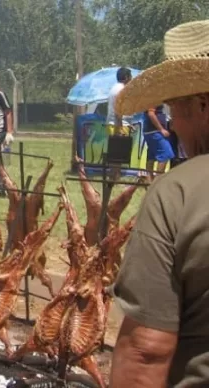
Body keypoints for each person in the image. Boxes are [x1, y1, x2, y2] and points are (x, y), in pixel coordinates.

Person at [111, 19, 209, 388]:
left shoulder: (177, 193)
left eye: (173, 110)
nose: (173, 124)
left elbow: (146, 351)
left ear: (201, 106)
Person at [142, 104, 175, 176]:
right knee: (166, 154)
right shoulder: (153, 98)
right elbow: (151, 114)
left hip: (151, 131)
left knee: (151, 157)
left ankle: (149, 183)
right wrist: (161, 129)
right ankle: (157, 181)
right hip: (155, 131)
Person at [107, 67, 133, 135]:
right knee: (121, 145)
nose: (132, 79)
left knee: (114, 145)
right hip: (119, 126)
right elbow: (118, 111)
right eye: (131, 76)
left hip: (113, 124)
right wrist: (120, 128)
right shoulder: (122, 90)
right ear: (126, 77)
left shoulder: (113, 88)